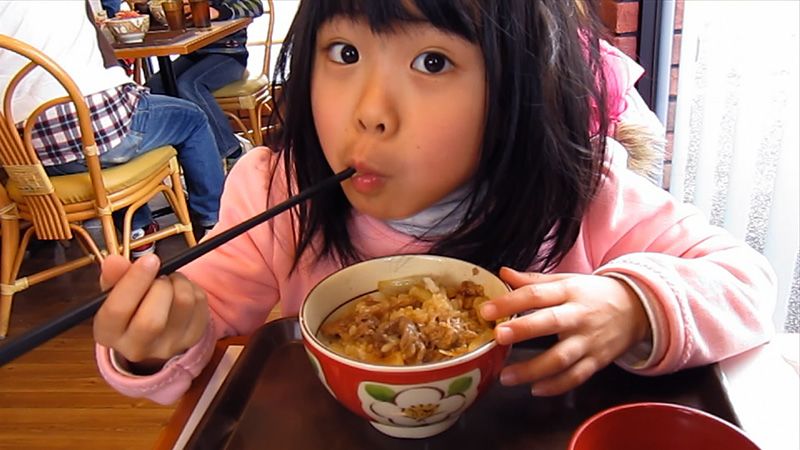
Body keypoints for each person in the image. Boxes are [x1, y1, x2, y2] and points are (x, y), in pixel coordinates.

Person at [93, 0, 775, 404]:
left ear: (515, 89)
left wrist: (631, 306)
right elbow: (200, 322)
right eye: (344, 52)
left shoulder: (581, 194)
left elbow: (746, 283)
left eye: (433, 62)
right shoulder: (275, 190)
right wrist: (156, 342)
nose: (370, 112)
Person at [0, 1, 225, 255]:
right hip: (100, 135)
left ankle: (138, 230)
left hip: (32, 159)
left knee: (99, 145)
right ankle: (214, 221)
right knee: (191, 119)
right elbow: (104, 51)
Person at [146, 0, 264, 162]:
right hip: (193, 54)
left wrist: (218, 11)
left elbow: (256, 6)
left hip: (230, 55)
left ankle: (232, 150)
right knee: (154, 86)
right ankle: (179, 153)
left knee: (188, 85)